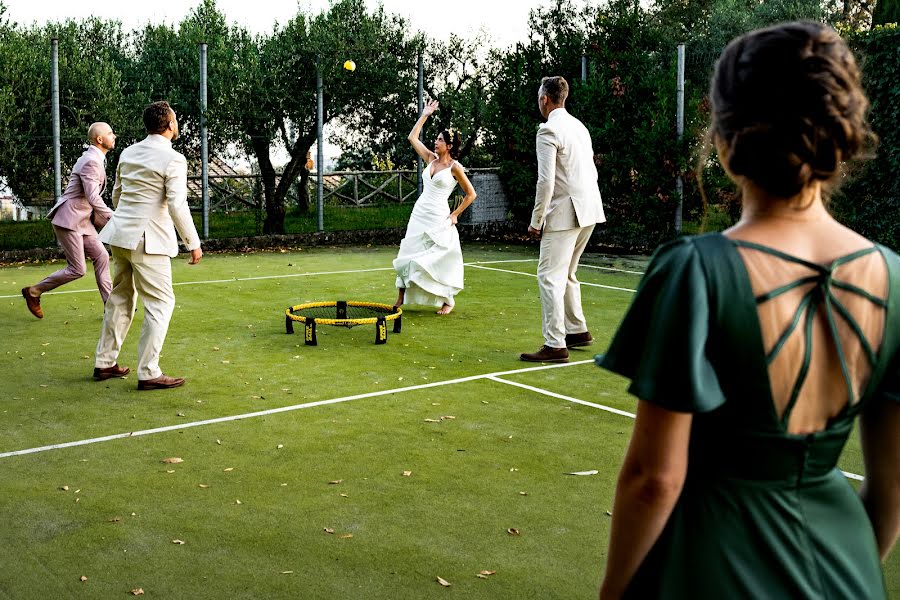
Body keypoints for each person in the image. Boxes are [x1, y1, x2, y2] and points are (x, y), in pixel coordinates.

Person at [597, 22, 899, 599]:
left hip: (711, 563)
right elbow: (893, 493)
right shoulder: (895, 277)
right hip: (846, 570)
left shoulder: (694, 268)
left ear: (724, 139)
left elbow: (653, 480)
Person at [93, 101, 203, 390]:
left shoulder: (128, 152)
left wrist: (128, 219)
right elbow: (177, 204)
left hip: (119, 235)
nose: (176, 124)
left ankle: (105, 363)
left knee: (120, 297)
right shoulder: (174, 159)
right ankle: (148, 371)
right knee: (160, 303)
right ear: (169, 125)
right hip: (148, 240)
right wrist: (193, 242)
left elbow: (117, 195)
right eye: (175, 120)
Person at [520, 76, 606, 363]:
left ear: (545, 99)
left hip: (566, 212)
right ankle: (577, 331)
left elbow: (545, 182)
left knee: (549, 277)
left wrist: (536, 220)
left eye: (539, 96)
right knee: (567, 273)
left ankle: (556, 344)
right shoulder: (579, 127)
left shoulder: (547, 130)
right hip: (590, 209)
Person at [21, 123, 117, 318]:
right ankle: (34, 291)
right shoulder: (91, 161)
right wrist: (113, 217)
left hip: (83, 220)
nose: (114, 136)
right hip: (69, 219)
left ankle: (111, 307)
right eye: (110, 133)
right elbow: (93, 197)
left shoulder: (95, 159)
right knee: (78, 269)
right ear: (99, 139)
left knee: (102, 256)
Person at [393, 99, 477, 315]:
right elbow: (412, 137)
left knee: (438, 257)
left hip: (439, 216)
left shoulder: (454, 167)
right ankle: (401, 296)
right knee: (407, 250)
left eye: (440, 140)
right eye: (437, 139)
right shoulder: (430, 158)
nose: (436, 142)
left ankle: (448, 299)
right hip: (420, 212)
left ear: (449, 146)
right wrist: (425, 114)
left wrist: (455, 214)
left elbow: (471, 194)